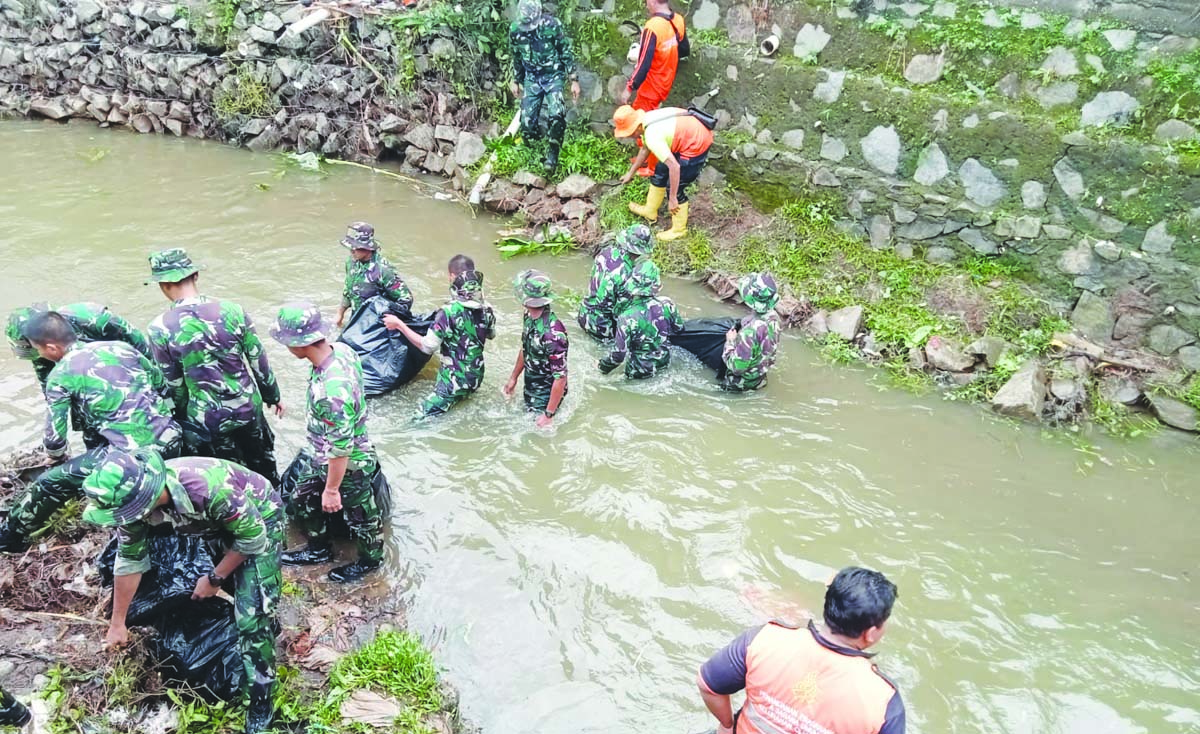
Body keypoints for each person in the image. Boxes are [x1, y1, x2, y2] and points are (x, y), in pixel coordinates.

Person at [81, 449, 282, 733]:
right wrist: (118, 623)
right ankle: (259, 614)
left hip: (259, 517)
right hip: (214, 525)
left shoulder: (209, 489)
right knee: (235, 584)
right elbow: (129, 561)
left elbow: (252, 538)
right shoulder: (133, 512)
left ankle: (261, 701)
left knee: (252, 612)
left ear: (141, 502)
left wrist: (214, 578)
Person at [0, 312, 181, 553]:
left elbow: (55, 440)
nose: (40, 355)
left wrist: (54, 458)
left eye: (38, 349)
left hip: (132, 459)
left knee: (48, 483)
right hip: (171, 438)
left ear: (52, 347)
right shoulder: (120, 348)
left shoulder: (60, 375)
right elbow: (160, 385)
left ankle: (9, 540)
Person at [698, 567, 905, 734]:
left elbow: (708, 685)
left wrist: (726, 726)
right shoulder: (883, 700)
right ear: (870, 633)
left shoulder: (766, 639)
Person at [146, 248, 284, 484]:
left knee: (228, 477)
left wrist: (181, 418)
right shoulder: (234, 311)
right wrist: (272, 395)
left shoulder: (159, 328)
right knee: (264, 465)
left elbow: (174, 384)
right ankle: (277, 507)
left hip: (207, 418)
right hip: (248, 407)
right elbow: (258, 361)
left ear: (163, 284)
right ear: (195, 275)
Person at [270, 302, 385, 583]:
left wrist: (332, 489)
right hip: (321, 452)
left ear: (300, 344)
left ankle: (371, 563)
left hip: (348, 461)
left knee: (361, 517)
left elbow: (341, 447)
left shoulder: (331, 392)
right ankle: (319, 550)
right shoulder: (342, 350)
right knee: (300, 499)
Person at [384, 255, 496, 417]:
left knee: (418, 419)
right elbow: (491, 335)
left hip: (452, 383)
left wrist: (399, 325)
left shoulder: (448, 312)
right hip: (476, 378)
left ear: (452, 277)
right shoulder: (487, 308)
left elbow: (427, 347)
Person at [615, 105, 713, 242]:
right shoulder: (646, 122)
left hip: (697, 142)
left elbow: (675, 167)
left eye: (629, 133)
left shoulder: (652, 135)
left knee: (676, 187)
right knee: (660, 171)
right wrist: (630, 173)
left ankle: (679, 229)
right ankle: (650, 210)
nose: (629, 136)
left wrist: (672, 198)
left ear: (636, 127)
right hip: (683, 137)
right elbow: (644, 150)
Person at [7, 301, 151, 390]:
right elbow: (50, 384)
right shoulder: (40, 346)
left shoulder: (94, 319)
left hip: (117, 353)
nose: (38, 355)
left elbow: (139, 346)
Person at [510, 0, 581, 173]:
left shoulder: (552, 25)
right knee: (526, 122)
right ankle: (532, 152)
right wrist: (516, 80)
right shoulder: (515, 29)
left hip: (553, 76)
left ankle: (552, 155)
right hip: (532, 78)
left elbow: (565, 51)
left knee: (557, 114)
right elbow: (517, 57)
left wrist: (574, 79)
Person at [503, 270, 568, 427]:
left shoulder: (553, 334)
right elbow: (525, 349)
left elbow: (560, 378)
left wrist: (548, 415)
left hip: (545, 398)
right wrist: (513, 378)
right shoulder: (529, 316)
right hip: (531, 387)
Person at [599, 259, 682, 379]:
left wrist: (601, 367)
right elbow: (679, 328)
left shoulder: (626, 318)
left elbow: (618, 356)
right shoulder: (667, 304)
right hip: (664, 363)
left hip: (638, 371)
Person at [577, 223, 653, 340]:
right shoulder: (625, 275)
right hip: (602, 328)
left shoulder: (606, 252)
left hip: (584, 313)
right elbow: (620, 310)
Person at [335, 222, 415, 330]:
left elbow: (406, 299)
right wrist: (340, 314)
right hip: (356, 320)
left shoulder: (383, 270)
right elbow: (348, 290)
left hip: (376, 326)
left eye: (355, 248)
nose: (351, 251)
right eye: (350, 248)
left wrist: (390, 320)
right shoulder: (351, 262)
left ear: (367, 248)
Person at [620, 0, 687, 113]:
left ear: (652, 1)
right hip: (665, 84)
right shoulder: (678, 20)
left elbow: (644, 64)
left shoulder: (652, 27)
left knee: (638, 124)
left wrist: (629, 88)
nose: (646, 5)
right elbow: (684, 50)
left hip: (650, 90)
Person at [722, 273, 782, 392]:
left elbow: (736, 368)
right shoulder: (774, 318)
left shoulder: (748, 333)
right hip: (760, 379)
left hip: (741, 385)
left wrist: (730, 341)